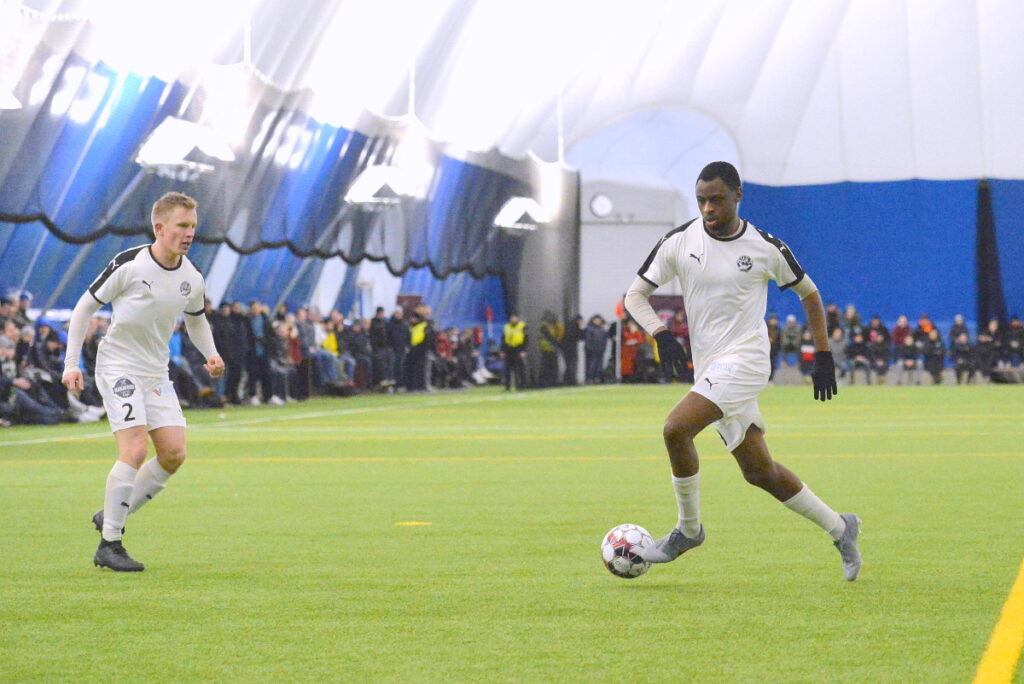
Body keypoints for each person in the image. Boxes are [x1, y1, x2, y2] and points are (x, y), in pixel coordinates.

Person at [623, 161, 860, 581]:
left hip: (747, 360)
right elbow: (635, 295)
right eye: (701, 200)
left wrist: (823, 355)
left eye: (716, 199)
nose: (708, 209)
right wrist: (660, 333)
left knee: (675, 429)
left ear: (738, 195)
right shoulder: (679, 241)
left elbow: (809, 294)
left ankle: (688, 530)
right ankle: (841, 528)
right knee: (759, 472)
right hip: (711, 368)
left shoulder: (765, 247)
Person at [62, 192, 224, 572]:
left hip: (155, 372)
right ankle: (110, 544)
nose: (189, 233)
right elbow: (84, 307)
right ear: (160, 228)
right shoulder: (130, 264)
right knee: (134, 449)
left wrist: (211, 354)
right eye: (182, 226)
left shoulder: (191, 277)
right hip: (118, 366)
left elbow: (196, 321)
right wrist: (71, 364)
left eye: (193, 226)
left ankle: (111, 514)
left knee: (173, 454)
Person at [501, 313, 527, 390]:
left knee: (519, 368)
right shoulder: (506, 327)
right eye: (512, 318)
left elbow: (525, 339)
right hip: (508, 349)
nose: (513, 319)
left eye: (514, 318)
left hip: (518, 348)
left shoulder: (522, 326)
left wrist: (523, 350)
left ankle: (521, 385)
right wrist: (502, 350)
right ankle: (507, 386)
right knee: (507, 369)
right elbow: (503, 339)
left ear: (517, 318)